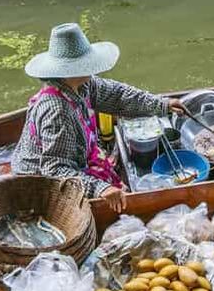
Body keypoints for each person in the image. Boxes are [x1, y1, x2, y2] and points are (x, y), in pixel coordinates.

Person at [12, 23, 185, 213]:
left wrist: (162, 104)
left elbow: (118, 95)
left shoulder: (83, 85)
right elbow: (56, 170)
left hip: (75, 160)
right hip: (42, 183)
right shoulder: (57, 111)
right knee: (117, 202)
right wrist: (99, 188)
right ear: (73, 69)